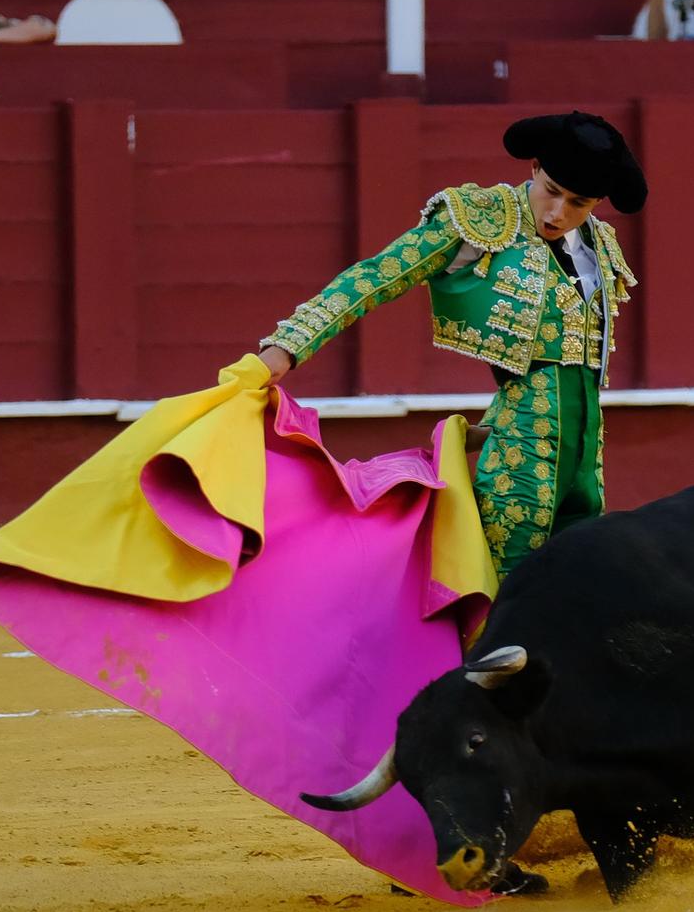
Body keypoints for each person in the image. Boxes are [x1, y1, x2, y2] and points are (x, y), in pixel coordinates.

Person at [256, 111, 645, 576]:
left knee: (580, 585)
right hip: (521, 451)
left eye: (578, 202)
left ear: (598, 202)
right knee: (506, 587)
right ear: (535, 168)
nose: (557, 213)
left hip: (588, 453)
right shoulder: (481, 218)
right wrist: (288, 345)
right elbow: (379, 275)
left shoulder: (599, 245)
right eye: (552, 191)